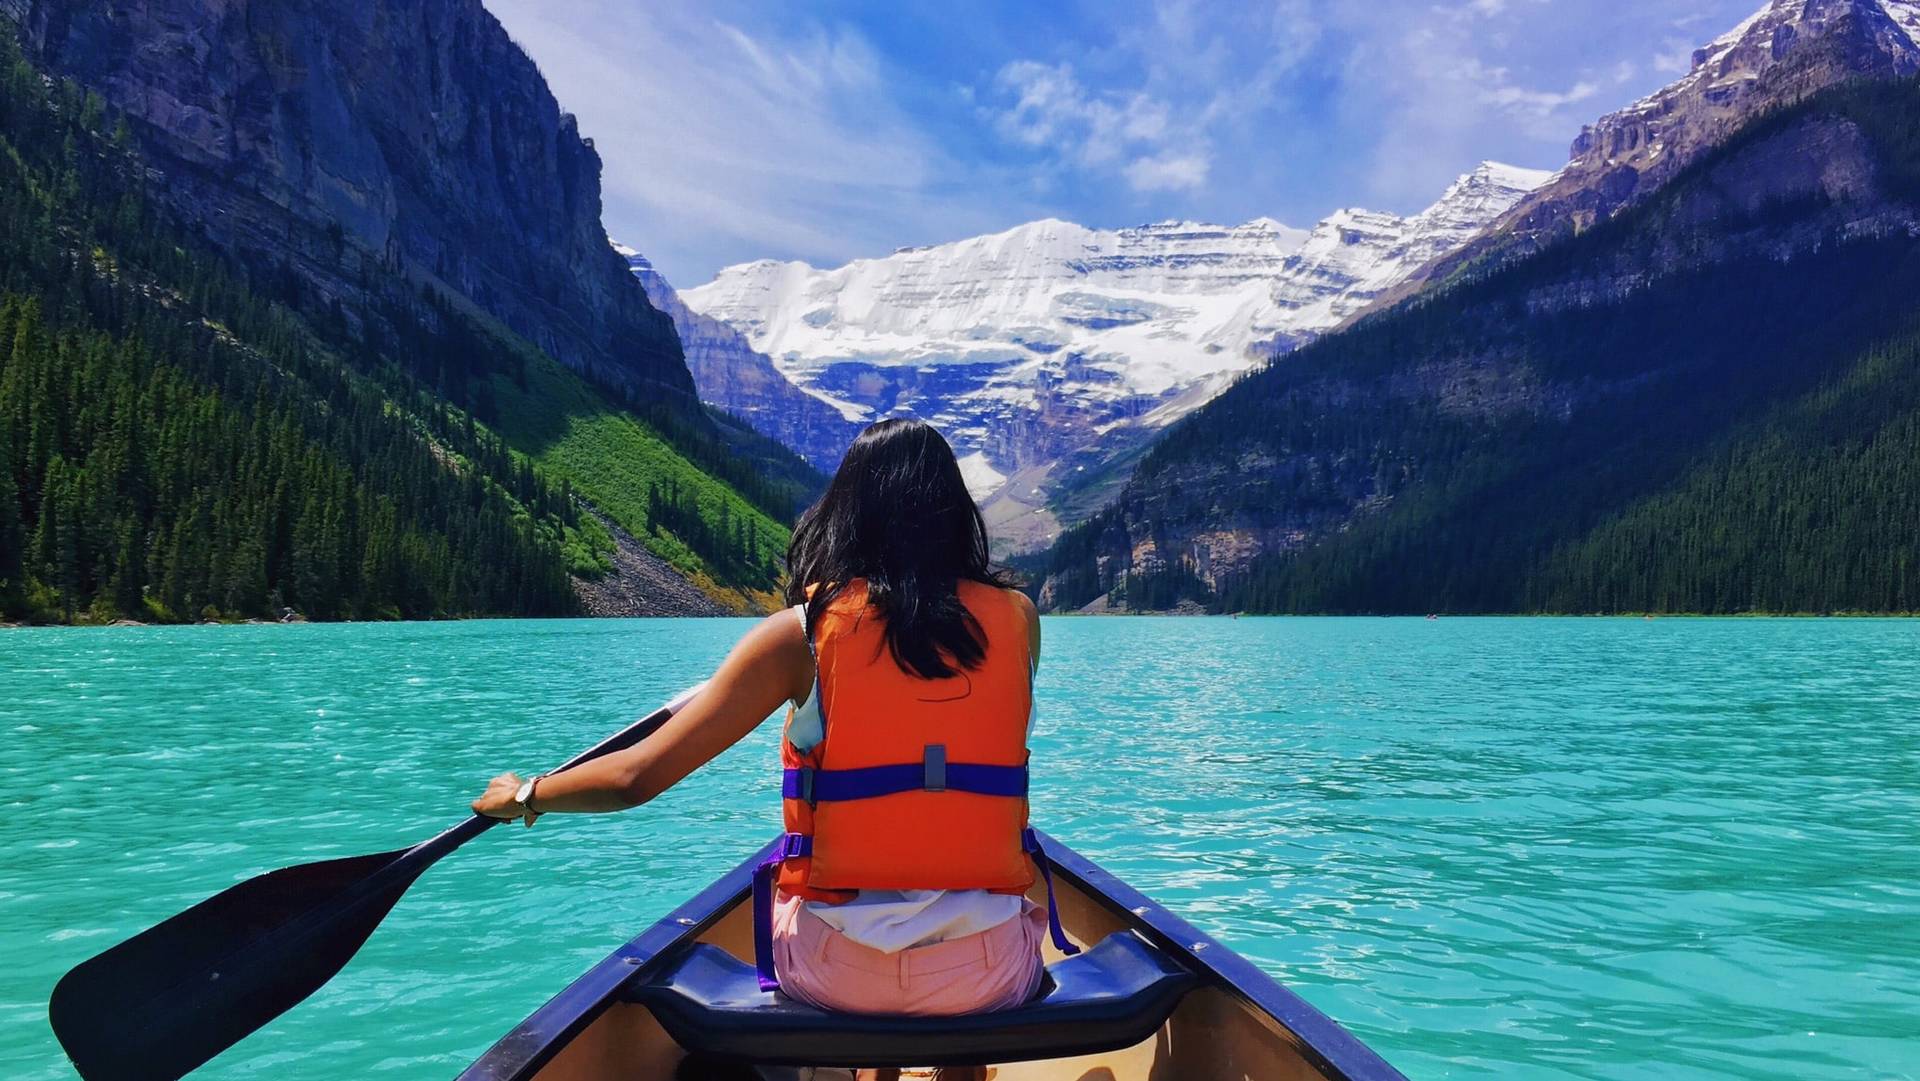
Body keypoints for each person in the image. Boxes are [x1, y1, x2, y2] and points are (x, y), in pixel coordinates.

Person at [472, 419, 1072, 1078]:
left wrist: (527, 794)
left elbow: (636, 777)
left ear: (849, 514)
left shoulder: (802, 636)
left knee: (837, 926)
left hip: (835, 970)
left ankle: (869, 1066)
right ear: (956, 515)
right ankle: (959, 1069)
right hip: (984, 973)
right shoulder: (1019, 622)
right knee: (980, 939)